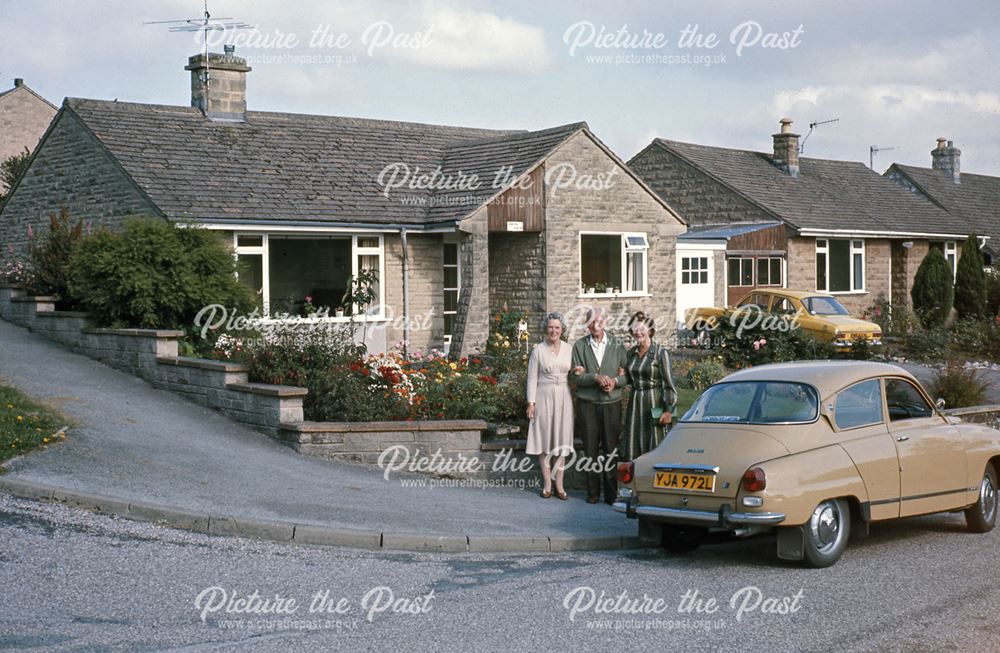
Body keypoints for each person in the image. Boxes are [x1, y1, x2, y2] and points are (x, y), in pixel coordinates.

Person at [571, 307, 627, 505]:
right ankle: (592, 492)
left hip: (612, 404)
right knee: (590, 450)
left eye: (600, 321)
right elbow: (574, 377)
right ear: (587, 325)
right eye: (592, 322)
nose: (596, 325)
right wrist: (595, 377)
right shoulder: (579, 346)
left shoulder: (617, 344)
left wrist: (614, 381)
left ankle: (611, 494)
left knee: (611, 449)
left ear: (606, 323)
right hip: (588, 405)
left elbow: (626, 374)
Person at [526, 312, 574, 500]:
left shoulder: (570, 349)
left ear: (562, 330)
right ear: (546, 329)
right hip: (543, 395)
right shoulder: (538, 350)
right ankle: (547, 484)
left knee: (561, 442)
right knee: (544, 441)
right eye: (550, 327)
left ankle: (560, 486)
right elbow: (531, 378)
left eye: (557, 327)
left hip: (564, 397)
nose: (553, 331)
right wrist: (531, 402)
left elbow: (577, 373)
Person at [622, 311, 678, 461]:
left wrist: (668, 411)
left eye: (642, 329)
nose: (638, 332)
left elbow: (669, 384)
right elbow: (628, 377)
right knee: (634, 442)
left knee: (655, 444)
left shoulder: (660, 353)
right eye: (635, 329)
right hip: (635, 403)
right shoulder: (631, 353)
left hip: (655, 403)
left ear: (650, 330)